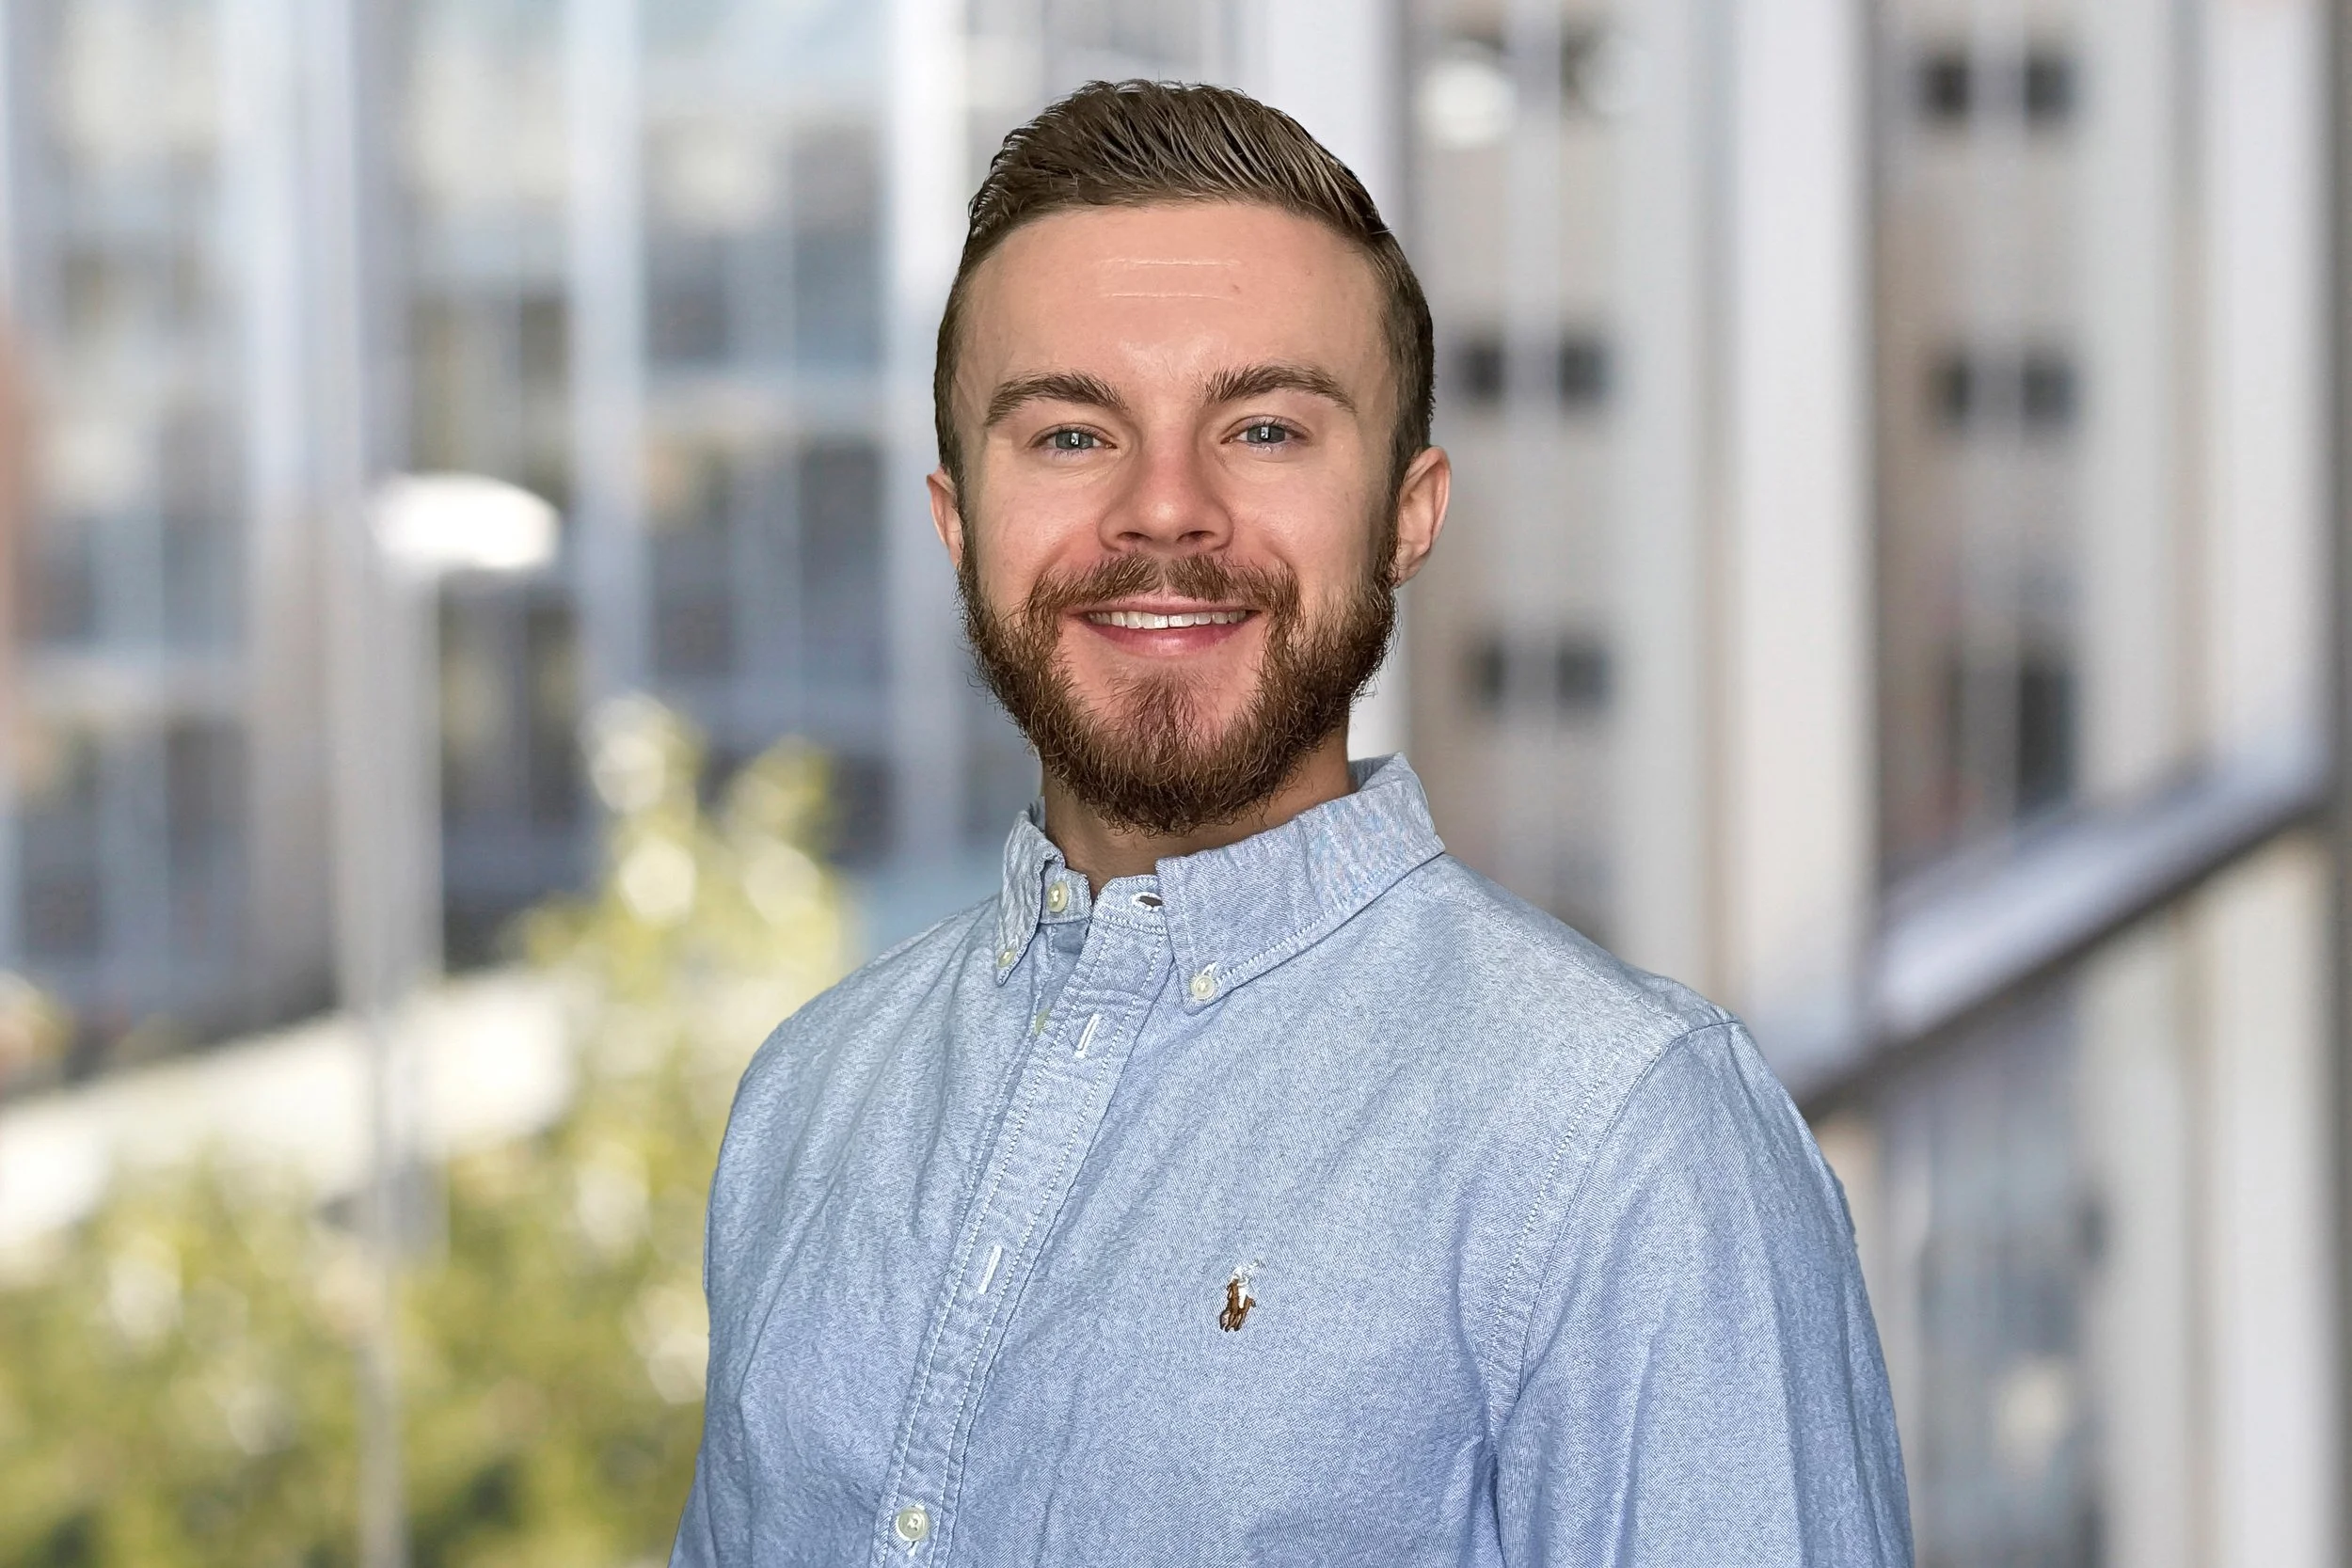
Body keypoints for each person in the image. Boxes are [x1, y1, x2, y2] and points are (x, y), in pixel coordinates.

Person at [670, 80, 1910, 1567]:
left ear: (1407, 514)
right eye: (1070, 434)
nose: (1165, 508)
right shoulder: (808, 1101)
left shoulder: (1628, 1140)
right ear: (958, 522)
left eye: (1262, 428)